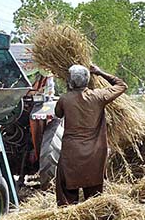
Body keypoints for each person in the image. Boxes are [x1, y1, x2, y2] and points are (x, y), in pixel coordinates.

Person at [54, 64, 127, 206]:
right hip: (95, 153)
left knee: (66, 192)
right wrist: (100, 72)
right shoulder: (99, 96)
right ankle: (92, 219)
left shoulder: (65, 99)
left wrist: (69, 90)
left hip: (71, 153)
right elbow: (122, 85)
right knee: (94, 195)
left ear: (71, 81)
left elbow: (58, 113)